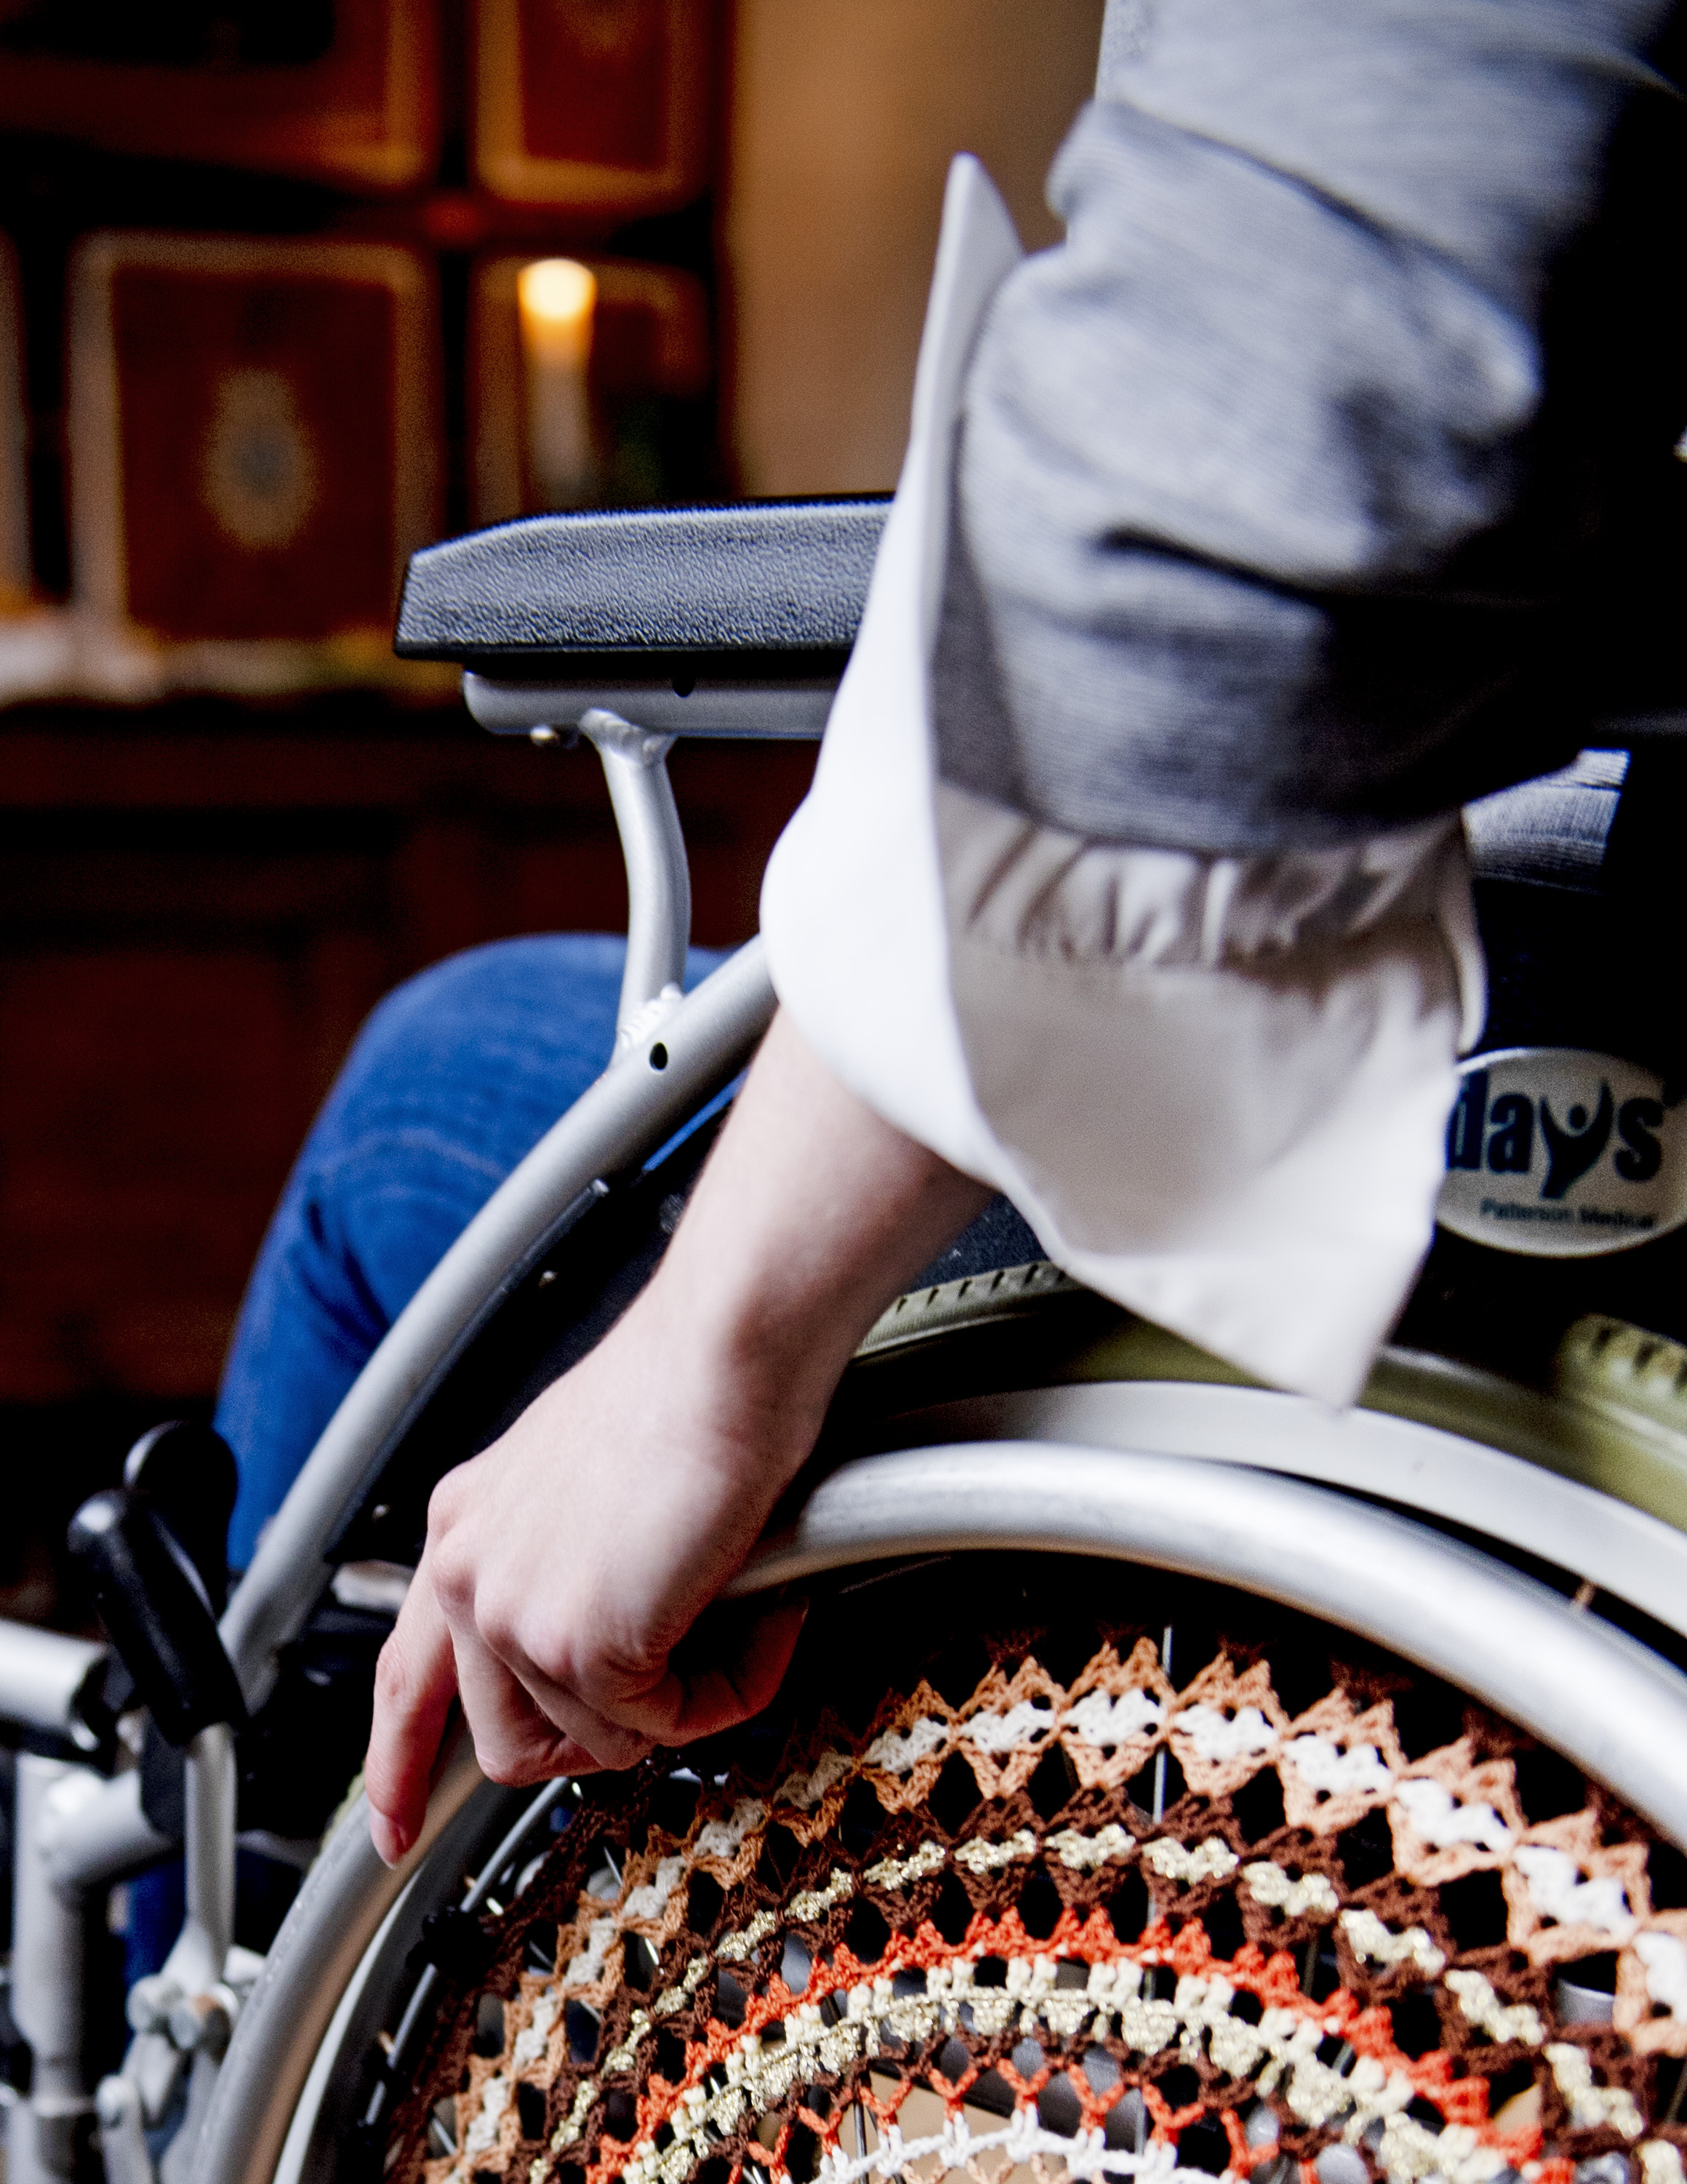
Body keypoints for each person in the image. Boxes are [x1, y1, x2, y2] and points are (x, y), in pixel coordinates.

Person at [209, 0, 1687, 1867]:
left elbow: (1255, 439)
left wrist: (715, 1348)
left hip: (1524, 1052)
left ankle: (231, 2044)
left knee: (428, 1090)